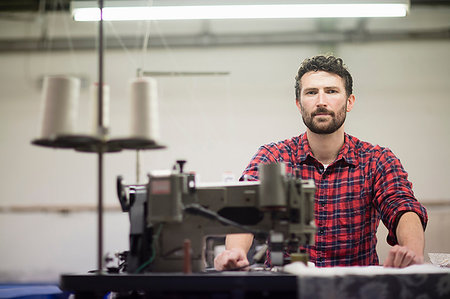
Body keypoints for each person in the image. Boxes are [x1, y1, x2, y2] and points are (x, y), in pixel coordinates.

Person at [214, 55, 428, 270]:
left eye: (332, 91)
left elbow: (402, 206)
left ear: (349, 101)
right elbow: (243, 208)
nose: (321, 101)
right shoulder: (273, 157)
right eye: (311, 92)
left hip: (355, 290)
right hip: (288, 288)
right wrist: (236, 252)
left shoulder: (377, 160)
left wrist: (412, 250)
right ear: (299, 104)